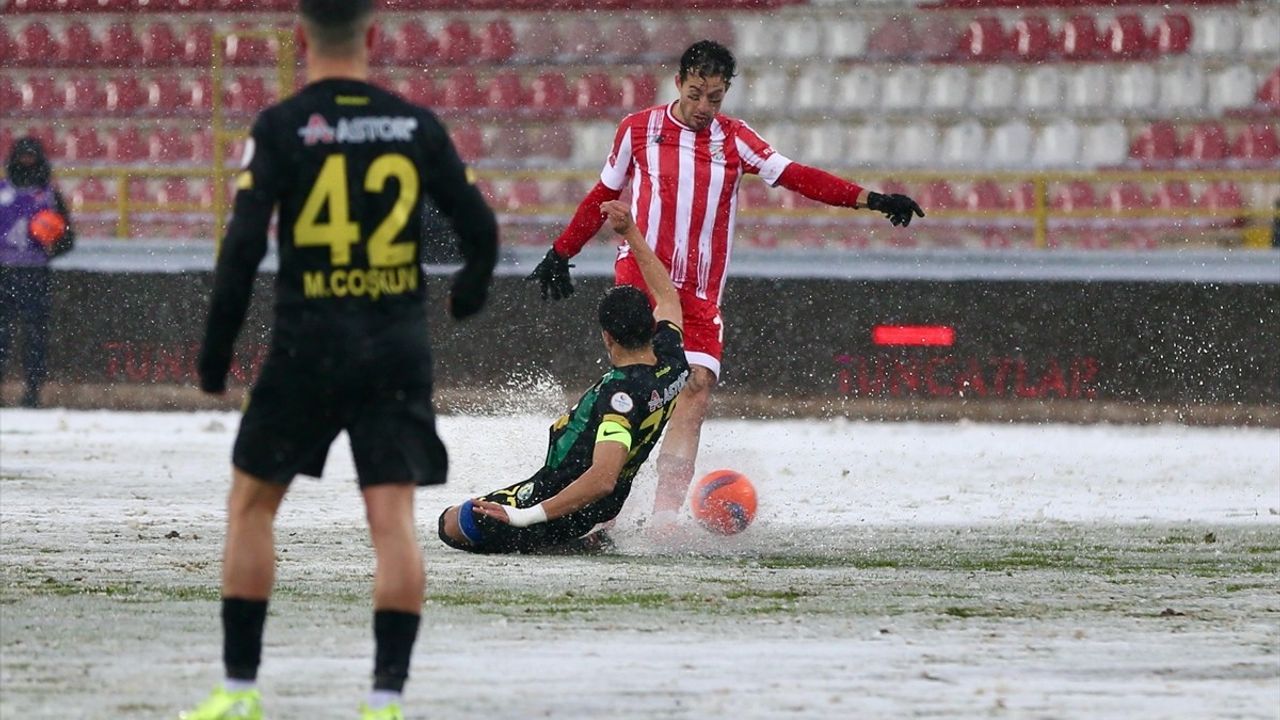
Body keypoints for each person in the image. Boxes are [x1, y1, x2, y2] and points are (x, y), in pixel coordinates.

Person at [184, 1, 498, 719]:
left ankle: (238, 693)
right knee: (390, 519)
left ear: (300, 37)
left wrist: (215, 352)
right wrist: (468, 296)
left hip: (307, 344)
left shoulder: (282, 126)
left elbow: (240, 251)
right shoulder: (415, 125)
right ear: (373, 37)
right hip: (393, 346)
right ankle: (384, 700)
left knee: (253, 507)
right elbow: (481, 230)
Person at [528, 40, 924, 525]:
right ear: (678, 83)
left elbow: (796, 176)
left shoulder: (735, 139)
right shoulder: (638, 130)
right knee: (638, 390)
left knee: (694, 388)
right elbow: (604, 193)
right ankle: (599, 505)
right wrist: (562, 251)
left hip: (698, 291)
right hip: (644, 279)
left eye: (714, 98)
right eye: (695, 94)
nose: (702, 108)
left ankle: (664, 518)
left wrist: (872, 199)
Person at [439, 200, 688, 554]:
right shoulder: (672, 357)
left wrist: (525, 516)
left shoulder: (621, 396)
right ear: (650, 325)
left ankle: (563, 542)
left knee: (452, 524)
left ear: (608, 337)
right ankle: (573, 536)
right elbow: (667, 296)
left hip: (559, 499)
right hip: (602, 502)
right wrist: (629, 232)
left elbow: (602, 479)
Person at [0, 137, 75, 408]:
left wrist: (48, 251)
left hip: (34, 274)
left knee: (35, 336)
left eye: (32, 158)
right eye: (23, 157)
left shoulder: (49, 196)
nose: (27, 163)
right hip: (4, 273)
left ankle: (32, 391)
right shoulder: (2, 191)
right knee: (2, 336)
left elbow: (69, 238)